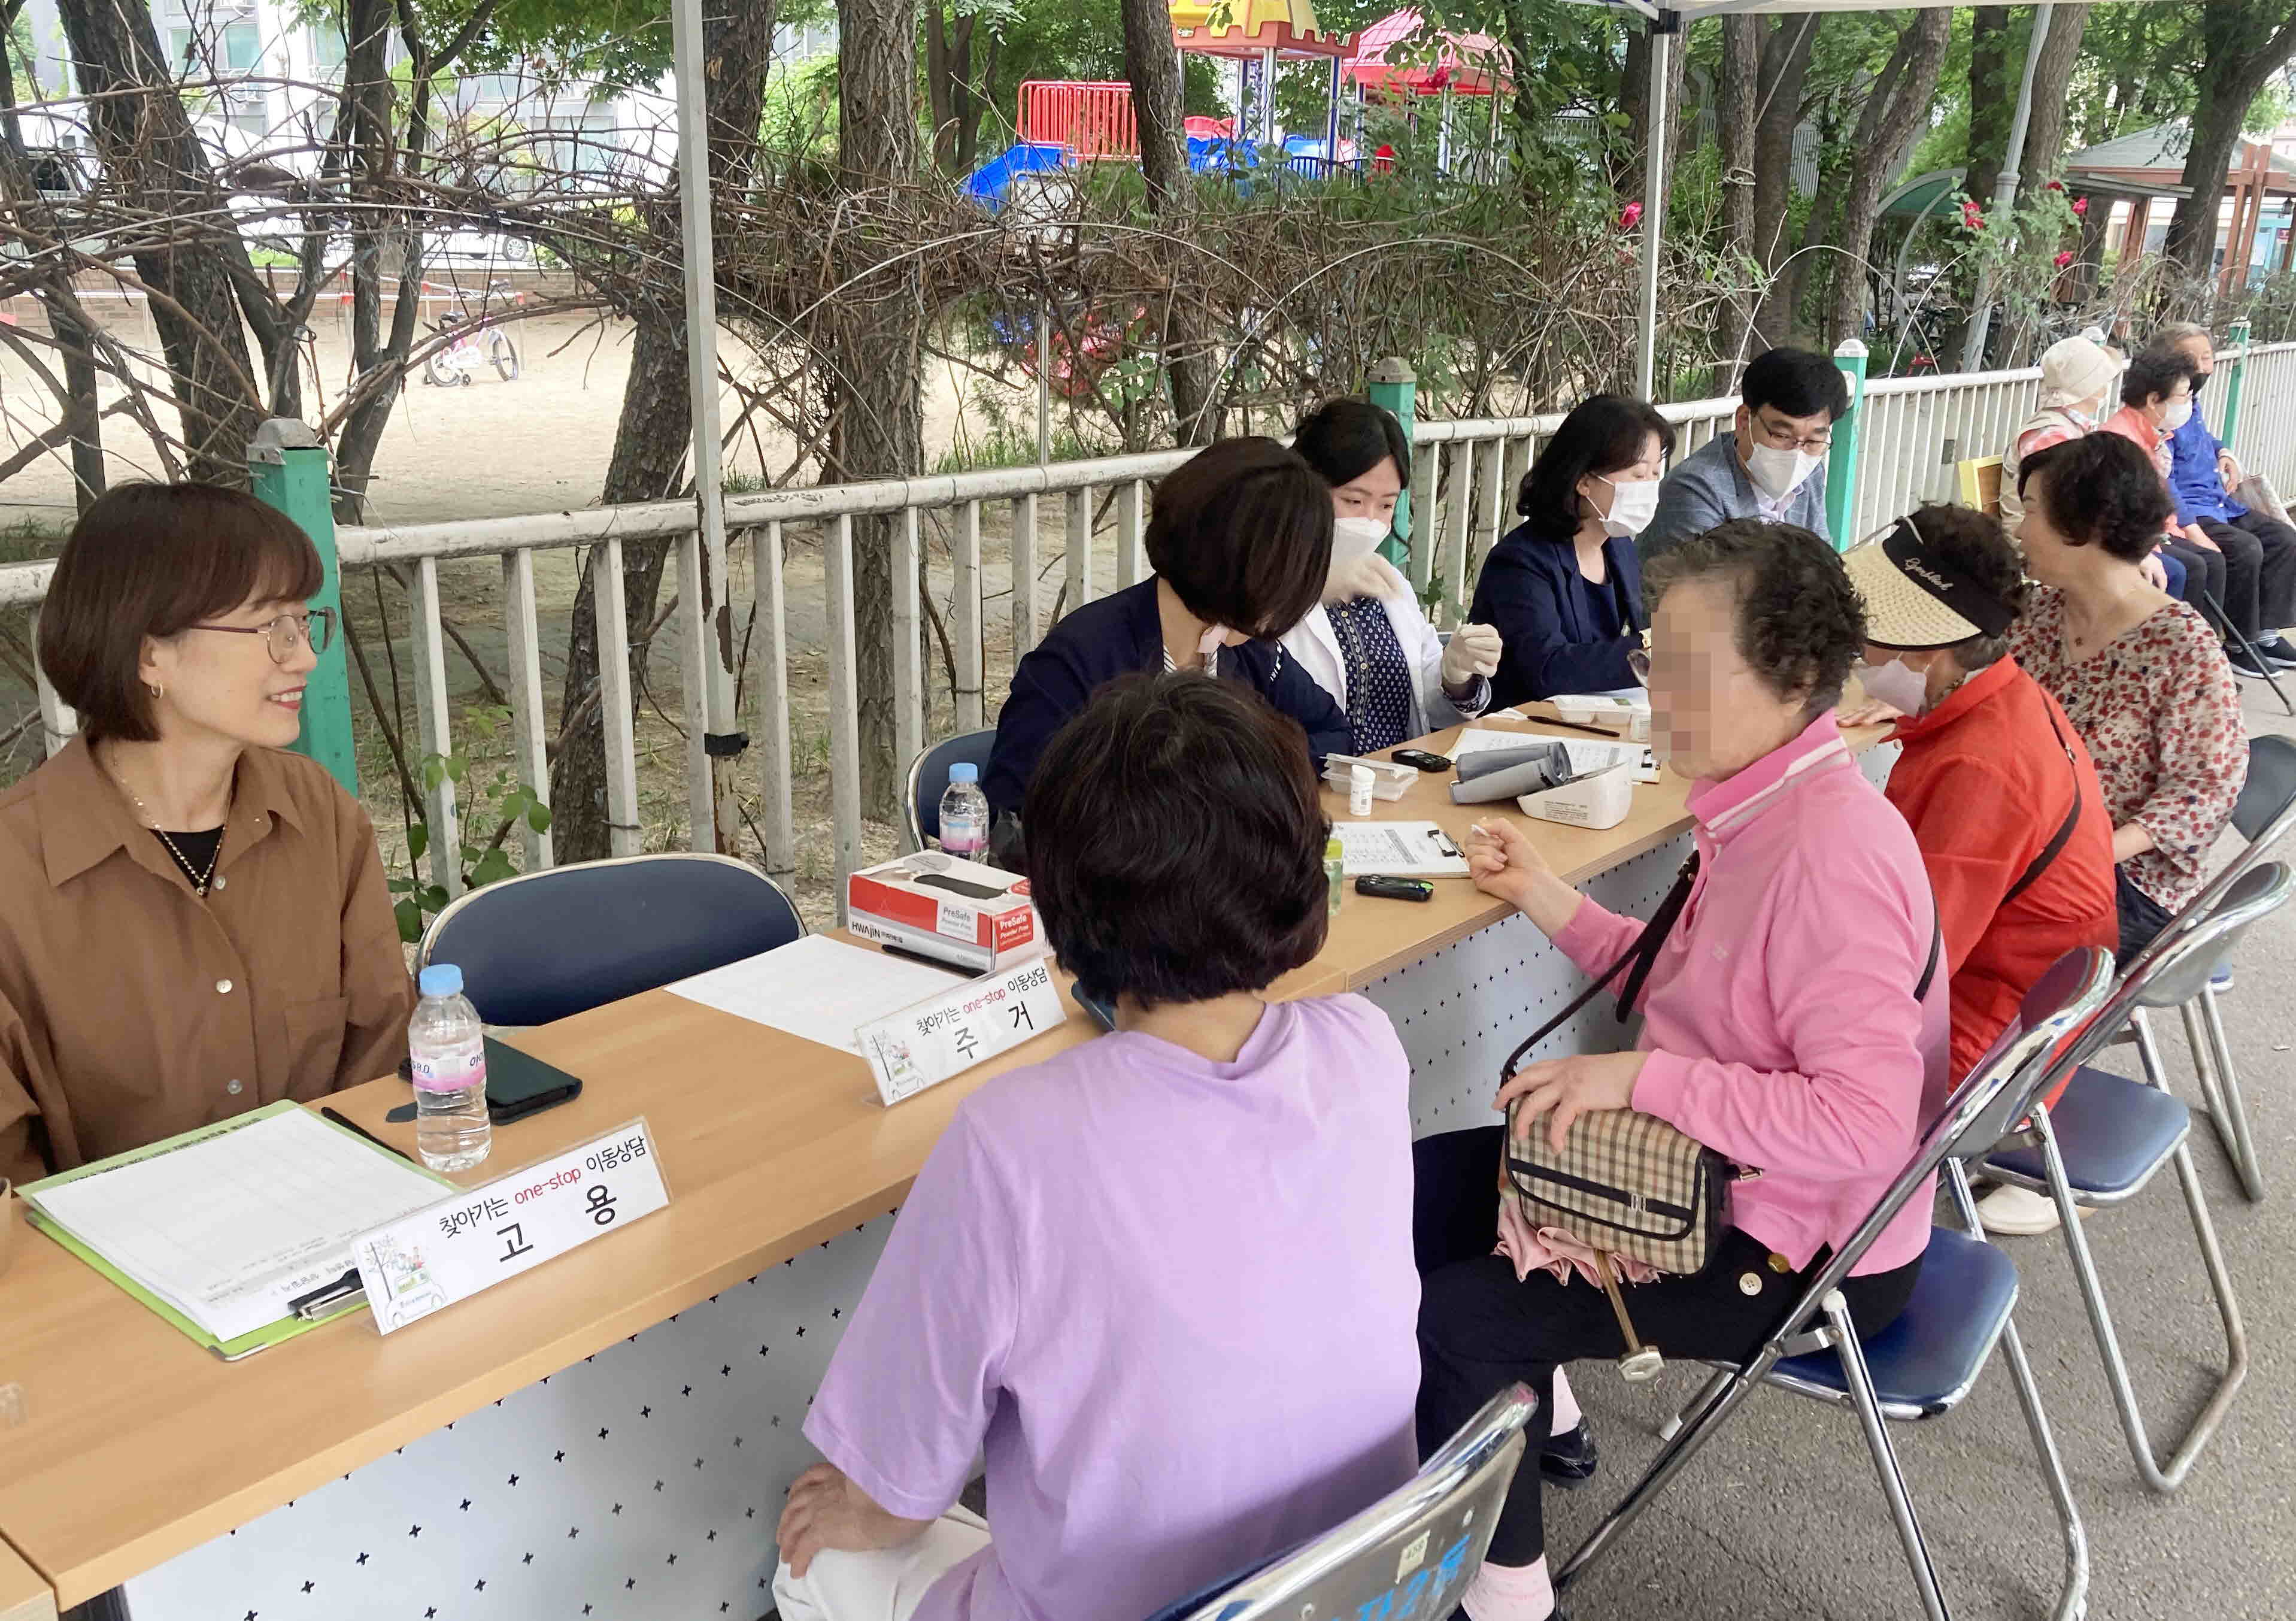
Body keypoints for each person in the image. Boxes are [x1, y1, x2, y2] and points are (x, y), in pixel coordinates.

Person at [773, 672, 1420, 1621]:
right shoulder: (1365, 1044)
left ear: (1054, 901)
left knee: (810, 1561)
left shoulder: (1014, 1138)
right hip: (1354, 1587)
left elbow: (889, 1493)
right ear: (1299, 870)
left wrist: (851, 1508)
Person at [1415, 520, 1945, 1621]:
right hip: (1726, 1181)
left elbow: (1866, 1127)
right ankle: (1545, 1407)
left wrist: (1635, 1083)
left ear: (1796, 676)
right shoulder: (1768, 806)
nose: (1657, 698)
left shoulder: (1826, 859)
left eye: (1689, 672)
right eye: (1655, 659)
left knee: (1457, 1323)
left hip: (1798, 1240)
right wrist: (1546, 896)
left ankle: (1507, 1598)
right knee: (1418, 1192)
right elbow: (1684, 986)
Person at [0, 484, 415, 1185]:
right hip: (100, 1274)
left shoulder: (319, 814)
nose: (303, 657)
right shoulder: (16, 872)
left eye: (304, 622)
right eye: (268, 628)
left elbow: (381, 1063)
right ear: (150, 654)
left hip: (335, 1224)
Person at [1839, 505, 2118, 1237]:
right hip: (2011, 1009)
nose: (1858, 657)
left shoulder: (1981, 767)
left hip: (1982, 1045)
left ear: (1926, 652)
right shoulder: (1998, 703)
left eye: (1867, 641)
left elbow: (1908, 972)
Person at [982, 437, 1349, 854]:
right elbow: (1015, 823)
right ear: (1245, 567)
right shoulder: (1080, 659)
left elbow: (1331, 733)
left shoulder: (1244, 649)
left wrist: (1251, 780)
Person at [2009, 434, 2247, 969]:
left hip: (2125, 882)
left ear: (2085, 525)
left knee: (1955, 936)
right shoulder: (2040, 615)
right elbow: (1983, 699)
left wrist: (2085, 853)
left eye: (2029, 511)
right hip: (2031, 851)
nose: (2019, 529)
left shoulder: (2180, 645)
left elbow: (2206, 791)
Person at [1281, 398, 1503, 753]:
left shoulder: (1386, 582)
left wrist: (1455, 675)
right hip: (1312, 787)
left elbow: (1424, 703)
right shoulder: (1265, 590)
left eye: (1386, 505)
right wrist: (1310, 588)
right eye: (1353, 501)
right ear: (1305, 488)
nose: (1370, 520)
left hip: (1397, 784)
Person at [1470, 395, 1671, 706]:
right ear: (1584, 481)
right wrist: (1651, 647)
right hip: (1523, 729)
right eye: (1638, 475)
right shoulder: (1520, 562)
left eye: (1656, 474)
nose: (1648, 487)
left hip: (1592, 720)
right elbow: (1548, 669)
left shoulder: (1618, 547)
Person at [2151, 322, 2296, 674]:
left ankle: (2263, 632)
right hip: (2192, 510)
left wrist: (2224, 451)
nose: (2203, 366)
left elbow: (2203, 438)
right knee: (2245, 549)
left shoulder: (2189, 402)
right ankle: (2237, 642)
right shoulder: (2163, 406)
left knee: (2283, 538)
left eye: (2208, 357)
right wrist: (2192, 526)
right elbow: (2161, 478)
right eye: (2193, 358)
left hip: (2219, 502)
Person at [1644, 347, 1847, 554]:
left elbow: (1824, 561)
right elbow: (1711, 583)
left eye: (1813, 440)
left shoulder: (1811, 473)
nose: (1797, 454)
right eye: (1782, 436)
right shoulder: (1695, 490)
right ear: (1743, 421)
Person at [2102, 347, 2231, 628]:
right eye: (2183, 396)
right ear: (2153, 399)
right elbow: (2118, 509)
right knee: (2190, 568)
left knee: (2212, 561)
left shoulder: (2155, 434)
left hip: (2158, 530)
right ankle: (2179, 649)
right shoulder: (2121, 441)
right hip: (2133, 536)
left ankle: (2208, 649)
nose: (2188, 403)